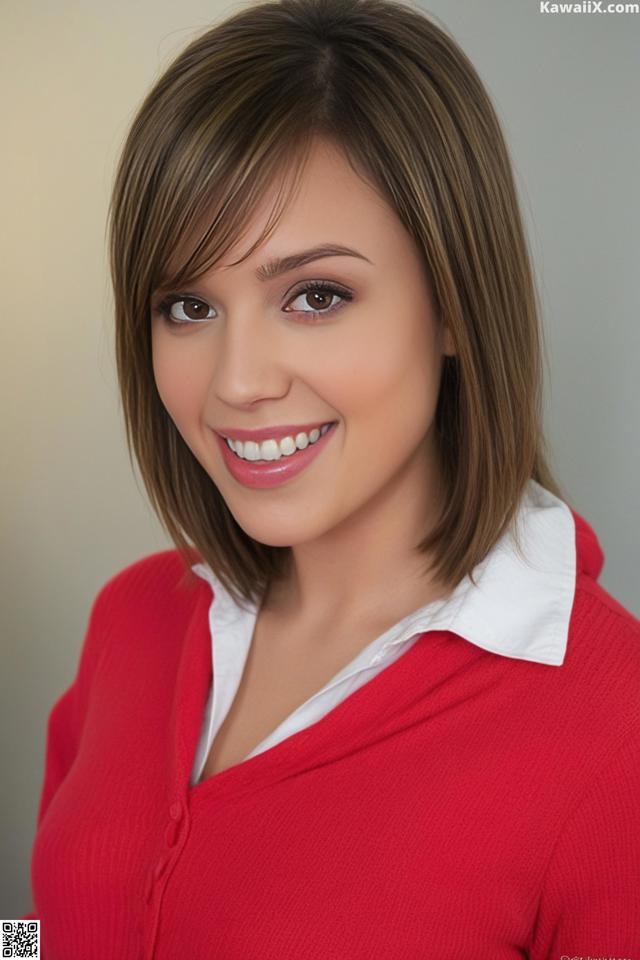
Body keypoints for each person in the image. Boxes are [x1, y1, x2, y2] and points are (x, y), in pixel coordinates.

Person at [22, 0, 640, 956]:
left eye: (316, 297)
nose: (235, 381)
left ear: (456, 307)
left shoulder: (614, 734)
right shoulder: (133, 621)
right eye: (188, 305)